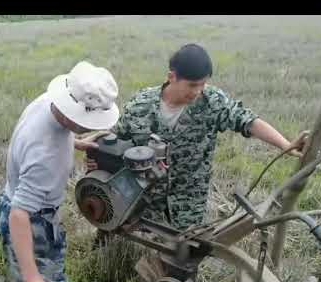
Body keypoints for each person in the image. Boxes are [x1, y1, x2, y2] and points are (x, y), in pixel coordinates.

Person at [87, 44, 307, 232]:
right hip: (144, 200)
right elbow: (116, 144)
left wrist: (285, 145)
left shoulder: (212, 102)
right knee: (138, 244)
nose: (198, 91)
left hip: (188, 203)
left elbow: (248, 121)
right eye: (192, 85)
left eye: (203, 84)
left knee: (185, 259)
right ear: (172, 77)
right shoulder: (140, 105)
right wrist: (97, 159)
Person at [0, 61, 120, 282]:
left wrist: (77, 142)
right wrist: (32, 276)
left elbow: (51, 134)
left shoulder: (47, 102)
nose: (90, 127)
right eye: (87, 123)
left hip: (16, 198)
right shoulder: (45, 156)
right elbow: (19, 215)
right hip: (32, 223)